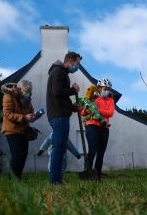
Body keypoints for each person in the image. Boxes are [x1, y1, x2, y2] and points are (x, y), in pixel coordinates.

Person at [46, 52, 81, 184]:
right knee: (58, 148)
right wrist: (73, 90)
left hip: (61, 114)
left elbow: (62, 98)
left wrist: (73, 108)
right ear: (70, 61)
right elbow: (57, 92)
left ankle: (57, 179)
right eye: (77, 64)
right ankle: (55, 181)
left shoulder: (61, 73)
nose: (78, 67)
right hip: (58, 116)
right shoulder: (57, 72)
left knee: (60, 148)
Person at [81, 78, 115, 181]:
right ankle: (88, 174)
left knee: (101, 153)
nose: (107, 90)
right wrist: (88, 108)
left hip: (104, 127)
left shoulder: (110, 99)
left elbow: (110, 113)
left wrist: (95, 109)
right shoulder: (92, 97)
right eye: (105, 88)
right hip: (91, 125)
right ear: (99, 87)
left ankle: (97, 177)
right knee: (92, 150)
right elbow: (82, 112)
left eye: (108, 88)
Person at [1, 80, 36, 180]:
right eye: (26, 91)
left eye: (29, 92)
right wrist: (24, 117)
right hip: (11, 130)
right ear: (19, 89)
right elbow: (7, 114)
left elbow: (31, 110)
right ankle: (12, 181)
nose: (27, 94)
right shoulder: (8, 95)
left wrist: (33, 116)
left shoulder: (27, 98)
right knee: (17, 155)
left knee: (23, 155)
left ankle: (17, 179)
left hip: (23, 130)